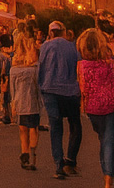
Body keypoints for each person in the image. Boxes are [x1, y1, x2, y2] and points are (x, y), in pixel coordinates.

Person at [78, 29, 114, 188]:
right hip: (112, 106)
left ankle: (106, 172)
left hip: (93, 109)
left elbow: (82, 88)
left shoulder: (81, 66)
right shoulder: (111, 64)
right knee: (109, 142)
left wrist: (83, 105)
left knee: (103, 139)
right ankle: (108, 179)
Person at [39, 19, 83, 180]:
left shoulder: (45, 47)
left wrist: (41, 88)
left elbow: (41, 67)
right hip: (70, 90)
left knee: (55, 127)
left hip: (50, 89)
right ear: (64, 31)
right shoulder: (73, 47)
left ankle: (58, 164)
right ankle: (70, 161)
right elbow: (79, 68)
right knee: (75, 125)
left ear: (51, 32)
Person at [10, 29, 43, 171]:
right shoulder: (34, 68)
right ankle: (33, 155)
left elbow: (12, 88)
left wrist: (13, 104)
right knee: (33, 129)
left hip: (19, 101)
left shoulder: (14, 68)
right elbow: (38, 86)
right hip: (33, 102)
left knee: (22, 129)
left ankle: (24, 154)